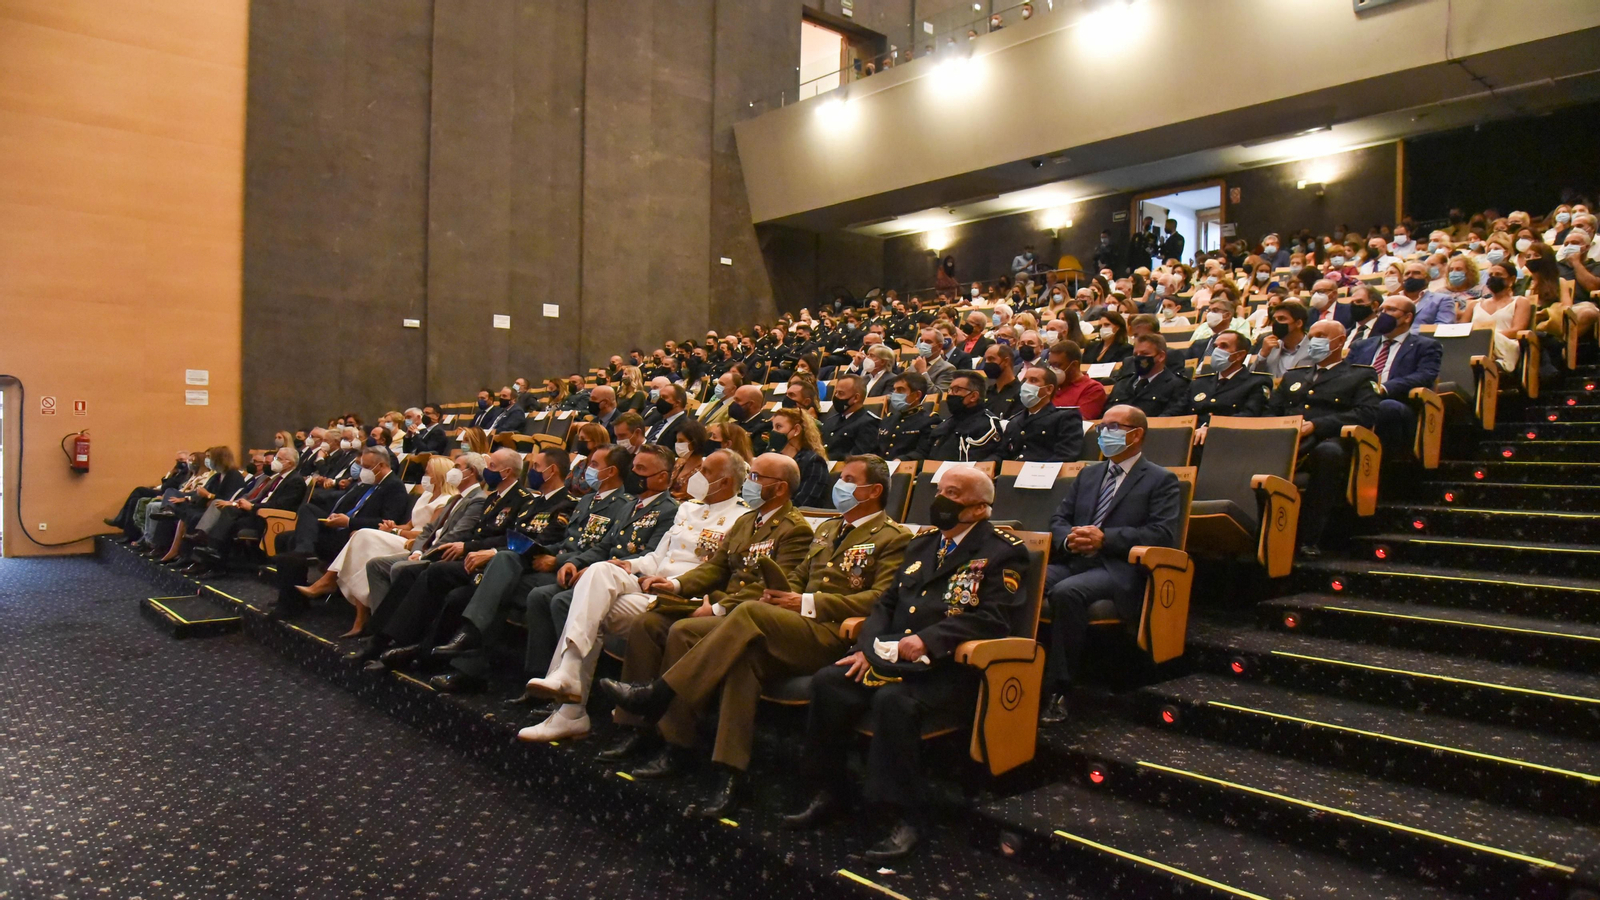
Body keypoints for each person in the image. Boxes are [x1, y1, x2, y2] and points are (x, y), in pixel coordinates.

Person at [599, 455, 912, 818]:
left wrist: (805, 602)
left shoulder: (894, 537)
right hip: (792, 625)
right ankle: (730, 772)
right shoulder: (828, 529)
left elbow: (880, 598)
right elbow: (798, 576)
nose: (838, 485)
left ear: (873, 491)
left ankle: (661, 693)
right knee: (743, 660)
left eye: (847, 479)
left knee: (746, 613)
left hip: (832, 634)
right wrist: (780, 593)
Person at [782, 466, 1028, 860]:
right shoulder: (923, 544)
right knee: (829, 680)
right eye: (940, 490)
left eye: (954, 494)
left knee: (893, 702)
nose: (941, 501)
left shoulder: (1002, 551)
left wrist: (929, 639)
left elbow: (994, 617)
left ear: (980, 509)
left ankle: (904, 816)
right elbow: (886, 603)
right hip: (890, 655)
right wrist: (867, 647)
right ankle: (831, 790)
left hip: (949, 666)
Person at [514, 449, 750, 742]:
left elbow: (722, 572)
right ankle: (569, 675)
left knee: (590, 610)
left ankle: (569, 710)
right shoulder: (689, 509)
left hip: (682, 598)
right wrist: (630, 564)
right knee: (599, 572)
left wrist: (677, 586)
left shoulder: (741, 517)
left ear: (725, 482)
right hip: (651, 585)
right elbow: (659, 556)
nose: (695, 475)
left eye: (706, 472)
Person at [424, 445, 645, 693]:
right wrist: (547, 553)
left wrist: (559, 561)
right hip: (554, 562)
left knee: (506, 585)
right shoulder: (585, 500)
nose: (585, 470)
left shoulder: (623, 505)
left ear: (611, 471)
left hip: (576, 572)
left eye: (593, 465)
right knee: (504, 564)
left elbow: (604, 548)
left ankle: (476, 652)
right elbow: (565, 541)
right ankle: (472, 650)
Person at [367, 449, 576, 673]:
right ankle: (388, 641)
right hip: (492, 561)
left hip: (511, 567)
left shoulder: (563, 504)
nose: (531, 471)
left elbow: (537, 544)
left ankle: (417, 650)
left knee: (444, 581)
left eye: (535, 466)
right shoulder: (533, 503)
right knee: (422, 573)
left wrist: (489, 551)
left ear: (551, 470)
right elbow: (511, 536)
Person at [1039, 405, 1182, 723]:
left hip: (1117, 568)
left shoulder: (1161, 479)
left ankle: (1060, 688)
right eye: (1102, 426)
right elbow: (1059, 518)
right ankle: (1013, 667)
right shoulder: (1089, 474)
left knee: (1066, 593)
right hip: (1076, 559)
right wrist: (1069, 538)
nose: (1105, 433)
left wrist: (1104, 538)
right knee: (1025, 578)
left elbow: (1161, 534)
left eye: (1114, 426)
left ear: (1137, 434)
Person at [347, 448, 533, 661]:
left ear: (507, 472)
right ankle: (382, 638)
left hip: (487, 562)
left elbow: (510, 539)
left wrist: (466, 547)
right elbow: (470, 532)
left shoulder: (520, 499)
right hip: (468, 554)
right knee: (411, 572)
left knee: (429, 572)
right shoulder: (494, 498)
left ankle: (401, 643)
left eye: (491, 466)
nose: (486, 471)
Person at [293, 455, 459, 636]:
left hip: (416, 544)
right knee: (362, 541)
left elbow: (426, 533)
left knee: (363, 534)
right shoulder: (426, 495)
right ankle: (359, 615)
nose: (424, 476)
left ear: (440, 475)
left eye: (428, 472)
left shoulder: (446, 500)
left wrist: (395, 532)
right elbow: (409, 525)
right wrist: (391, 527)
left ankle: (330, 580)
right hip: (403, 535)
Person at [1265, 321, 1382, 557]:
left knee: (1328, 454)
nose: (1313, 340)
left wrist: (1317, 425)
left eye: (1321, 336)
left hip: (1327, 438)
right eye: (1312, 335)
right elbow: (1271, 409)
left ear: (1339, 342)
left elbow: (1366, 413)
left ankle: (1310, 538)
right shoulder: (1294, 375)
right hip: (1286, 437)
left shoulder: (1359, 375)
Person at [268, 447, 412, 620]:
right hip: (340, 528)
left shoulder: (394, 486)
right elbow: (346, 506)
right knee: (288, 533)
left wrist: (349, 521)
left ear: (380, 465)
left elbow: (387, 522)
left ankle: (291, 601)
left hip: (355, 537)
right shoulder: (366, 484)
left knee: (292, 542)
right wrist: (336, 516)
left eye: (366, 466)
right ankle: (293, 594)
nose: (362, 471)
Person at [1346, 296, 1442, 452]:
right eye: (1381, 310)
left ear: (1407, 317)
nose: (1383, 314)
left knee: (1386, 407)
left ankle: (1383, 465)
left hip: (1396, 401)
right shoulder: (1360, 345)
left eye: (1391, 310)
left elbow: (1425, 376)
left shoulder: (1426, 346)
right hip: (1357, 401)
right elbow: (1345, 373)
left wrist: (1384, 388)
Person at [1187, 330, 1272, 448]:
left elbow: (1250, 415)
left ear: (1239, 355)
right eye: (1215, 346)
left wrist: (1212, 428)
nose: (1217, 350)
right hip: (1190, 440)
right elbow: (1178, 410)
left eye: (1224, 346)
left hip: (1230, 443)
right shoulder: (1199, 383)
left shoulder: (1256, 382)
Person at [1000, 366, 1083, 461]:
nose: (1026, 385)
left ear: (1049, 389)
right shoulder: (1014, 422)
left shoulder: (1065, 418)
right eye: (1025, 380)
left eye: (1033, 380)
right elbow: (1002, 454)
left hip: (1044, 473)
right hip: (1011, 473)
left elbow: (1066, 455)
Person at [1464, 261, 1531, 373]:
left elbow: (1518, 330)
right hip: (1475, 346)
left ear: (1512, 280)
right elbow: (1462, 329)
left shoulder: (1520, 301)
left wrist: (1487, 337)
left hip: (1505, 347)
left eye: (1499, 275)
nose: (1494, 278)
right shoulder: (1474, 304)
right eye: (1491, 275)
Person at [1106, 333, 1188, 417]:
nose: (1138, 358)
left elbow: (1169, 419)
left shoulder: (1176, 385)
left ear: (1161, 356)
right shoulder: (1121, 384)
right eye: (1135, 355)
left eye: (1144, 354)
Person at [928, 371, 1003, 461]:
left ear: (973, 396)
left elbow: (977, 463)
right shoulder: (944, 425)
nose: (950, 394)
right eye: (950, 390)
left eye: (956, 390)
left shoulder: (987, 425)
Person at [770, 408, 829, 508]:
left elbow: (803, 502)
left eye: (778, 427)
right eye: (773, 427)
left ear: (796, 430)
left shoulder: (813, 462)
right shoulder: (771, 457)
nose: (773, 432)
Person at [877, 372, 941, 461]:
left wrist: (901, 460)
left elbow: (923, 453)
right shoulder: (888, 419)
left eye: (900, 390)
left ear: (917, 395)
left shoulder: (929, 421)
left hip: (906, 469)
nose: (895, 394)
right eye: (894, 390)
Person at [819, 374, 879, 459]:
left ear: (856, 398)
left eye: (841, 393)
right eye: (835, 393)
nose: (836, 397)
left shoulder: (868, 422)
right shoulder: (831, 420)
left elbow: (858, 456)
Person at [1254, 299, 1313, 379]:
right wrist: (1262, 355)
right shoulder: (1270, 347)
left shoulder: (1314, 347)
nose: (1276, 323)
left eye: (1282, 319)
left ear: (1298, 323)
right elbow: (1254, 377)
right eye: (1274, 319)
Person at [670, 419, 708, 500]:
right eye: (677, 441)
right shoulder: (678, 462)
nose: (677, 444)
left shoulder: (703, 472)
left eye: (681, 441)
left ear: (694, 442)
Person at [980, 344, 1022, 418]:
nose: (987, 363)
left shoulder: (1020, 392)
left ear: (1006, 361)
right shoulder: (987, 392)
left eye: (991, 359)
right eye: (985, 360)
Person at [909, 326, 956, 390]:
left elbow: (938, 394)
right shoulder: (914, 364)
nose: (923, 344)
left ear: (939, 346)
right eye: (921, 341)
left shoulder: (948, 368)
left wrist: (923, 372)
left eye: (928, 342)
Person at [643, 383, 689, 447]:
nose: (660, 400)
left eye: (664, 397)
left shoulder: (685, 426)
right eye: (660, 397)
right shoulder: (659, 423)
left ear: (677, 403)